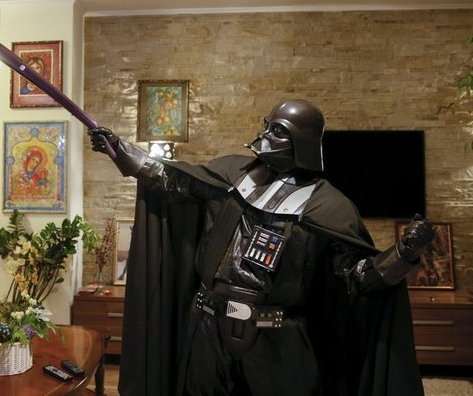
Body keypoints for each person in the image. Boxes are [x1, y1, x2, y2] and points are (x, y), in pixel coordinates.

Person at [89, 99, 434, 396]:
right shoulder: (232, 174)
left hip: (276, 337)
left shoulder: (329, 207)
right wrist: (121, 151)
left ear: (302, 141)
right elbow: (174, 179)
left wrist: (403, 254)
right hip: (208, 325)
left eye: (278, 131)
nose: (266, 135)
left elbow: (358, 279)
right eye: (268, 125)